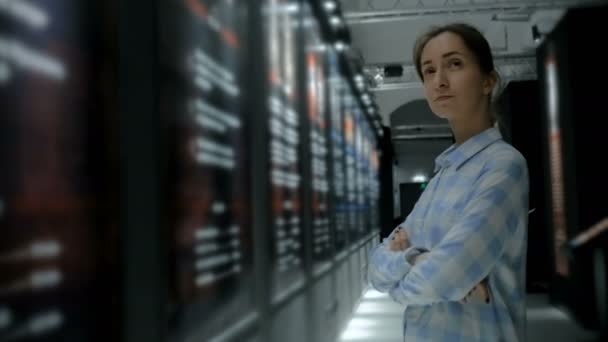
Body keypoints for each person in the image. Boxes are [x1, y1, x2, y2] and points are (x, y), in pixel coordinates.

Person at [367, 23, 529, 341]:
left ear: (488, 80)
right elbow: (375, 267)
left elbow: (445, 276)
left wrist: (400, 285)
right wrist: (415, 257)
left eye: (454, 64)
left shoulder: (503, 166)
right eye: (429, 70)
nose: (439, 81)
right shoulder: (443, 174)